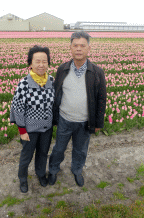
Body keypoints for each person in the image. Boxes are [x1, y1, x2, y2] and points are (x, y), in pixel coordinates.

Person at [48, 31, 106, 187]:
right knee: (59, 149)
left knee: (80, 150)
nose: (79, 49)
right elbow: (56, 93)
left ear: (89, 49)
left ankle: (77, 170)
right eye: (75, 45)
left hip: (85, 122)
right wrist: (54, 117)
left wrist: (98, 122)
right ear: (70, 48)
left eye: (82, 45)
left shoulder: (97, 72)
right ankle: (53, 170)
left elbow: (101, 98)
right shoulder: (62, 69)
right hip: (64, 119)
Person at [10, 45, 55, 193]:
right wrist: (22, 130)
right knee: (26, 156)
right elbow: (17, 108)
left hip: (46, 128)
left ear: (48, 63)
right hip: (29, 130)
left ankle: (41, 174)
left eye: (44, 61)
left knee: (43, 153)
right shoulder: (24, 84)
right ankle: (23, 178)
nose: (41, 65)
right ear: (31, 63)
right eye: (37, 61)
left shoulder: (51, 81)